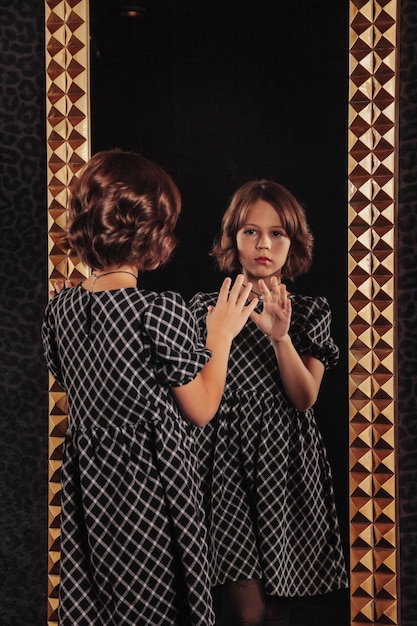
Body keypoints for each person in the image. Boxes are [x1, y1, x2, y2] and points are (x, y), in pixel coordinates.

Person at [41, 149, 259, 626]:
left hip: (91, 491)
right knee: (156, 608)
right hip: (150, 492)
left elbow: (73, 378)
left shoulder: (59, 312)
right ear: (151, 235)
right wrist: (219, 337)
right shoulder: (158, 312)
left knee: (101, 608)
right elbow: (201, 408)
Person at [188, 180, 349, 625]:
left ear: (293, 241)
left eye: (277, 233)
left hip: (287, 468)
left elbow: (305, 398)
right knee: (245, 612)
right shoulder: (207, 308)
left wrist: (281, 338)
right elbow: (196, 397)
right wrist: (221, 330)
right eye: (250, 232)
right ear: (232, 241)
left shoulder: (312, 311)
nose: (264, 244)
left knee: (282, 610)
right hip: (223, 466)